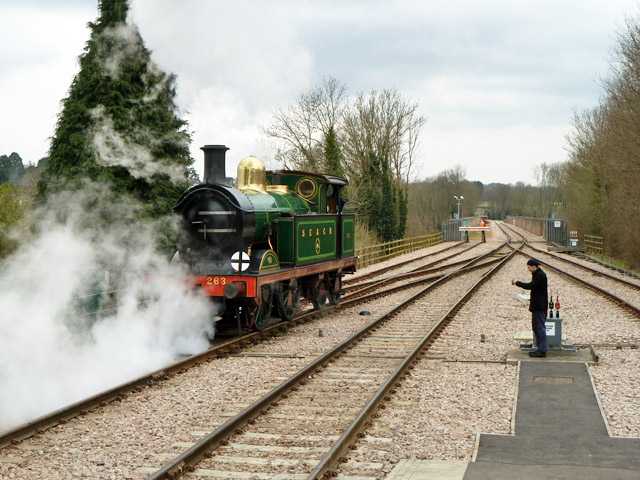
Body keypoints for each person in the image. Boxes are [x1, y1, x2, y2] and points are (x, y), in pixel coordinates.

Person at [512, 258, 548, 357]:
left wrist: (517, 282)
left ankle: (542, 350)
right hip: (537, 305)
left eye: (529, 267)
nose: (528, 269)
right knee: (536, 327)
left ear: (534, 267)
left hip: (539, 306)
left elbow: (530, 286)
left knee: (540, 327)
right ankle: (540, 348)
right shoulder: (537, 274)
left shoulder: (540, 275)